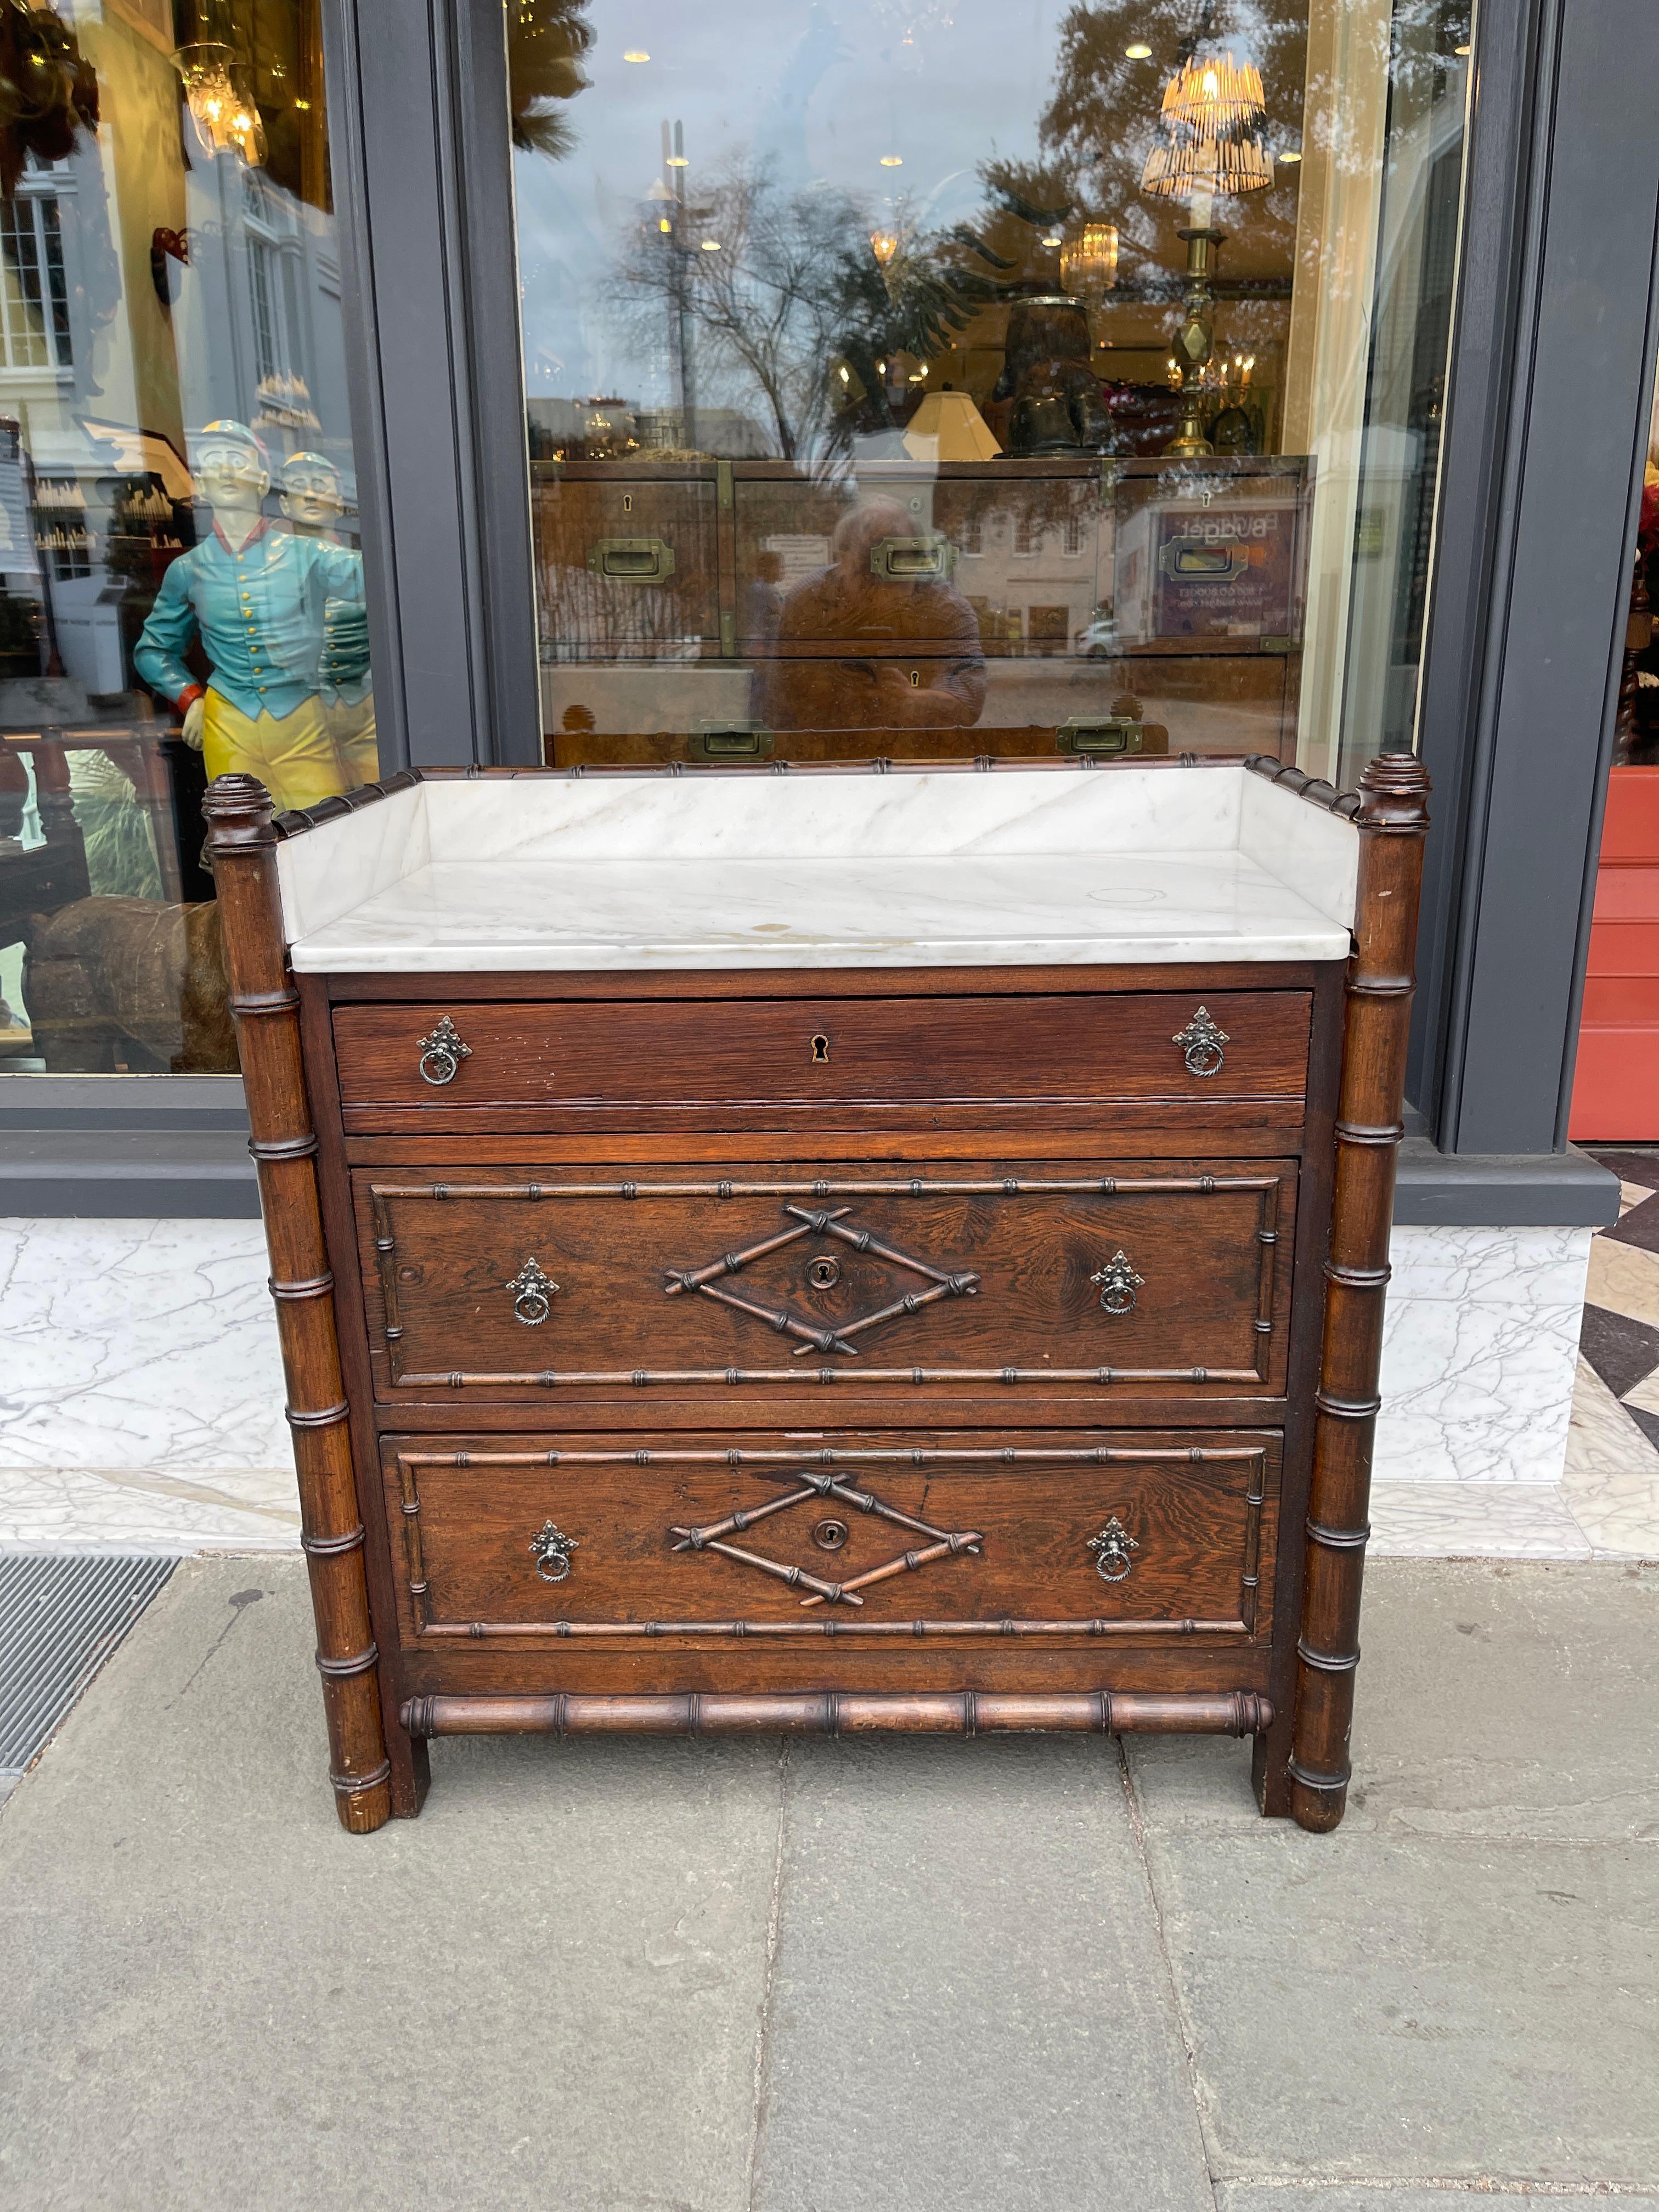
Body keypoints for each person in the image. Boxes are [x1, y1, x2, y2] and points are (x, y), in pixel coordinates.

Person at [133, 421, 366, 812]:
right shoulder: (189, 569)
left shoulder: (308, 555)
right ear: (202, 485)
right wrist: (191, 699)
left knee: (326, 828)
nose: (226, 469)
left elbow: (381, 583)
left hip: (302, 723)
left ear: (262, 481)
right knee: (239, 841)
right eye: (214, 462)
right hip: (229, 725)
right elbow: (153, 650)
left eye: (237, 460)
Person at [278, 450, 376, 792]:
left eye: (320, 484)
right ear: (284, 504)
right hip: (294, 715)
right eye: (298, 486)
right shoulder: (264, 570)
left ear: (339, 500)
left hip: (363, 710)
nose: (310, 493)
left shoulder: (366, 566)